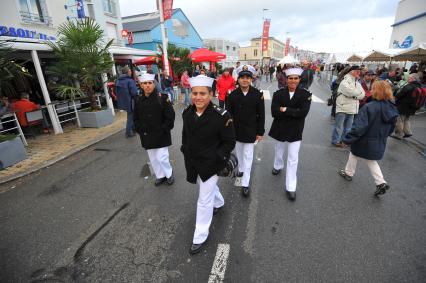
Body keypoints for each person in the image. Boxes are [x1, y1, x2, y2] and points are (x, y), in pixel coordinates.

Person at [181, 75, 236, 255]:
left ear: (211, 94)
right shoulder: (187, 113)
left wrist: (217, 158)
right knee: (205, 188)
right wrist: (184, 149)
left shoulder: (222, 116)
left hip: (211, 163)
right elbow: (185, 136)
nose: (198, 97)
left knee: (204, 200)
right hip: (193, 161)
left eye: (203, 93)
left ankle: (200, 235)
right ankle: (219, 202)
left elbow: (229, 142)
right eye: (195, 93)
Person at [338, 81, 398, 197]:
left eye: (373, 88)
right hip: (379, 139)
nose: (370, 90)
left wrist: (347, 139)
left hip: (364, 139)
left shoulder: (369, 107)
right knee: (371, 160)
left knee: (354, 153)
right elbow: (391, 128)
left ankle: (348, 173)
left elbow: (359, 127)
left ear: (376, 91)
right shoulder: (392, 107)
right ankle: (381, 182)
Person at [269, 67, 312, 201]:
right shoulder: (278, 93)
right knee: (279, 150)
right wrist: (294, 111)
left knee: (293, 158)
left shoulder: (305, 94)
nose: (293, 81)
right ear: (286, 80)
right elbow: (274, 112)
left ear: (299, 79)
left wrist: (285, 109)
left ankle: (291, 187)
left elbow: (303, 113)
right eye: (290, 78)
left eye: (296, 78)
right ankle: (277, 165)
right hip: (280, 127)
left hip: (295, 129)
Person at [227, 66, 265, 196]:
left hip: (250, 131)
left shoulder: (257, 94)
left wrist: (260, 132)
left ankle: (245, 183)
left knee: (248, 156)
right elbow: (228, 115)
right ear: (238, 79)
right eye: (242, 77)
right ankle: (241, 171)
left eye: (247, 77)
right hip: (236, 131)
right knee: (239, 154)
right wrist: (228, 131)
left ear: (251, 79)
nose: (245, 80)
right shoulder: (232, 95)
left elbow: (262, 115)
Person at [134, 73, 175, 186]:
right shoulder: (138, 99)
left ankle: (169, 173)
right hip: (147, 134)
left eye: (150, 83)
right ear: (141, 85)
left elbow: (170, 116)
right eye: (145, 83)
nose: (148, 85)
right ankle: (160, 175)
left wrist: (164, 128)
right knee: (153, 159)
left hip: (161, 133)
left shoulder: (162, 97)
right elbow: (135, 117)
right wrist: (139, 129)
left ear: (153, 84)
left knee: (162, 157)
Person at [331, 65, 365, 147]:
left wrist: (354, 95)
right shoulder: (345, 81)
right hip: (343, 106)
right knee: (338, 126)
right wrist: (356, 95)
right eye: (357, 71)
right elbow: (349, 92)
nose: (359, 72)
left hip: (352, 107)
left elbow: (362, 94)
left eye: (359, 71)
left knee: (348, 127)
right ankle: (335, 141)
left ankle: (344, 141)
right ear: (351, 71)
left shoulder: (357, 82)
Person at [392, 73, 423, 139]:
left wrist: (397, 91)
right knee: (406, 119)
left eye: (409, 78)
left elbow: (398, 95)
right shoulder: (419, 86)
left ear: (413, 79)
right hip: (412, 107)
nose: (408, 79)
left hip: (403, 106)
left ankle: (399, 134)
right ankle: (408, 132)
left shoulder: (408, 86)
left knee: (399, 119)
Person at [115, 66, 138, 138]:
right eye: (130, 71)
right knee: (130, 117)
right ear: (127, 72)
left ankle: (133, 129)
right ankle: (128, 132)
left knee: (132, 116)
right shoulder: (130, 81)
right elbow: (134, 92)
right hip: (131, 102)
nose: (131, 72)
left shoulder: (118, 81)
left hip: (123, 102)